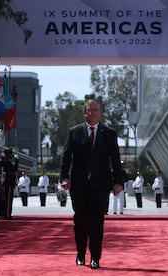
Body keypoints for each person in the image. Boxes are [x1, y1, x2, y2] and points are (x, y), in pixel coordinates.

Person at [60, 99, 122, 269]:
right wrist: (64, 178)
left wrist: (118, 182)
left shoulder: (109, 133)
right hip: (79, 185)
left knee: (97, 222)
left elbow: (115, 159)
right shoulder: (75, 132)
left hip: (100, 185)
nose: (93, 112)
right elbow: (66, 157)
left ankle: (95, 256)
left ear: (100, 112)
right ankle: (80, 254)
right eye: (89, 110)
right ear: (84, 112)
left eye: (96, 110)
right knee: (80, 221)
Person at [2, 148, 18, 219]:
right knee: (8, 199)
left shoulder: (8, 162)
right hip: (9, 182)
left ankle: (8, 213)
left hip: (10, 182)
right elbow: (14, 169)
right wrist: (17, 160)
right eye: (10, 154)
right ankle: (7, 215)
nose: (11, 155)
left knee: (10, 199)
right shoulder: (6, 162)